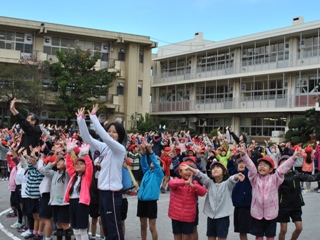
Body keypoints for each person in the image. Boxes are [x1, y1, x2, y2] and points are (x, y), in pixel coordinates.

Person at [77, 105, 126, 240]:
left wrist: (93, 117)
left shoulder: (119, 149)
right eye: (109, 130)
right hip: (103, 193)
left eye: (114, 132)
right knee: (105, 227)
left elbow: (105, 137)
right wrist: (80, 120)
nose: (110, 133)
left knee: (114, 228)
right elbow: (87, 139)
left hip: (112, 194)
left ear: (120, 135)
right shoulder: (105, 148)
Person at [239, 144, 300, 240]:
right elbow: (251, 168)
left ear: (271, 169)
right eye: (260, 165)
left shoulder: (275, 179)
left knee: (270, 236)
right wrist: (244, 155)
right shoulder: (254, 179)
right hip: (257, 213)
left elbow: (282, 169)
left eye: (265, 165)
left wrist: (293, 158)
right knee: (258, 237)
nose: (262, 167)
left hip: (271, 214)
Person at [188, 160, 244, 240]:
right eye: (213, 168)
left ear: (224, 172)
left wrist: (237, 176)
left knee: (221, 237)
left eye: (218, 168)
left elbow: (232, 179)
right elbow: (200, 175)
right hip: (211, 216)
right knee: (210, 237)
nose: (215, 169)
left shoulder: (227, 184)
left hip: (223, 216)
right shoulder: (209, 183)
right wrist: (190, 168)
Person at [277, 155, 320, 240]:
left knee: (299, 228)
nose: (286, 163)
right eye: (283, 162)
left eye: (287, 161)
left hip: (296, 205)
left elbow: (312, 177)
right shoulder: (278, 176)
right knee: (283, 230)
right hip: (283, 205)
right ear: (279, 165)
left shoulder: (296, 174)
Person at [168, 161, 207, 240]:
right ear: (180, 172)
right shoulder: (177, 181)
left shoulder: (194, 183)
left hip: (189, 217)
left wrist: (192, 185)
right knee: (177, 236)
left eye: (190, 171)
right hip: (175, 215)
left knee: (187, 237)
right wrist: (185, 182)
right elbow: (171, 184)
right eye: (186, 170)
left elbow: (203, 192)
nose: (188, 172)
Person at [64, 140, 93, 240]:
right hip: (72, 202)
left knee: (82, 229)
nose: (78, 165)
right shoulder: (73, 176)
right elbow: (68, 165)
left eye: (81, 164)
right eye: (77, 164)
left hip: (82, 203)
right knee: (75, 228)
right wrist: (68, 152)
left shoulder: (86, 177)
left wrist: (85, 155)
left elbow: (90, 167)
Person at [137, 141, 164, 240]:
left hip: (151, 201)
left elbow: (156, 165)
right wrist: (143, 153)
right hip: (142, 201)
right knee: (143, 226)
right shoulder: (147, 172)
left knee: (152, 227)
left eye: (156, 161)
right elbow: (143, 164)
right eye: (152, 160)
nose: (153, 162)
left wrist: (151, 152)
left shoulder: (159, 174)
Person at [43, 155, 71, 240]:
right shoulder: (54, 173)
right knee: (58, 224)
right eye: (57, 161)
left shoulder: (67, 174)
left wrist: (65, 160)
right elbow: (46, 170)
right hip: (54, 202)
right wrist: (54, 162)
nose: (58, 162)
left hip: (63, 203)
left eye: (60, 161)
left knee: (65, 224)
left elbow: (70, 166)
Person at [227, 155, 252, 240]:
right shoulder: (235, 175)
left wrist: (247, 156)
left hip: (245, 206)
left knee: (243, 230)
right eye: (239, 163)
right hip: (237, 206)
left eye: (244, 163)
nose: (241, 164)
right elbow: (230, 167)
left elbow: (251, 168)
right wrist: (231, 159)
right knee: (240, 230)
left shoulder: (248, 175)